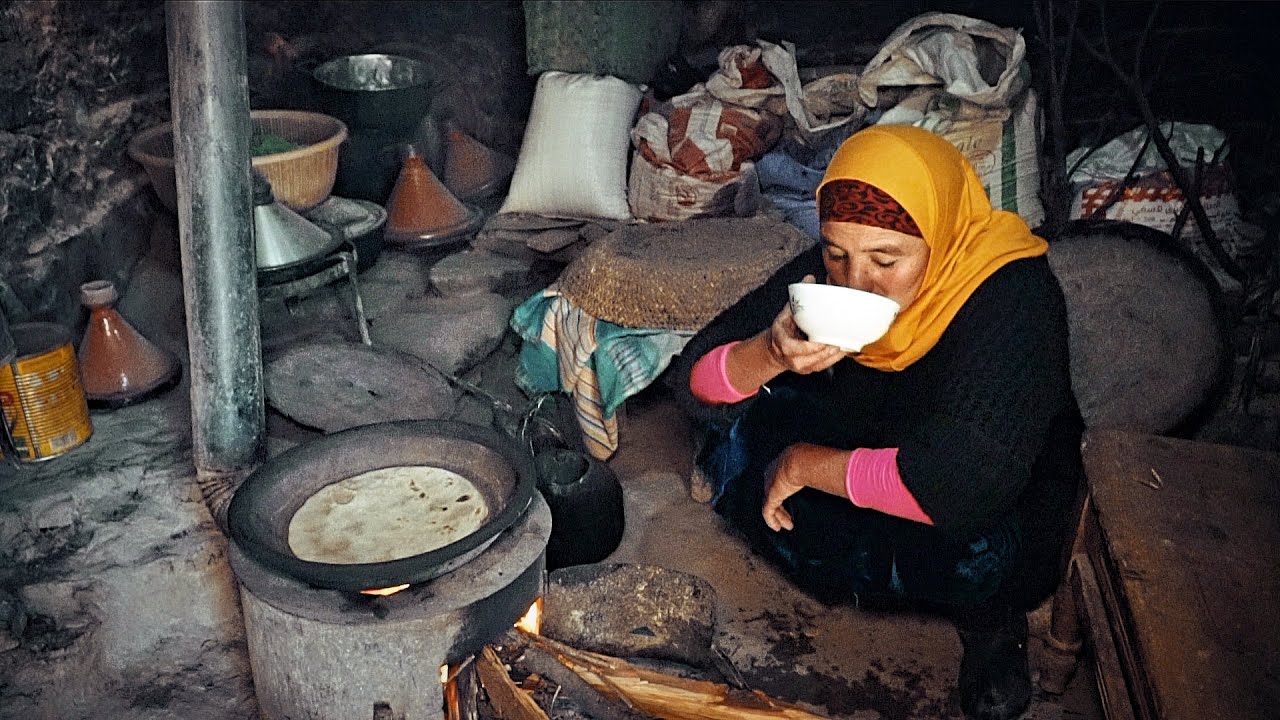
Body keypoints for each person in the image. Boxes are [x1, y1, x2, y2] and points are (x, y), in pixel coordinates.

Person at [675, 124, 1084, 720]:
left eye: (886, 260)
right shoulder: (831, 268)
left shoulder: (1016, 297)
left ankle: (991, 627)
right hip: (880, 452)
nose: (856, 282)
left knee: (980, 556)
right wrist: (772, 351)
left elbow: (960, 483)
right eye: (837, 253)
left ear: (941, 234)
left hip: (984, 488)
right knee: (745, 424)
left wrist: (805, 466)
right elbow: (696, 379)